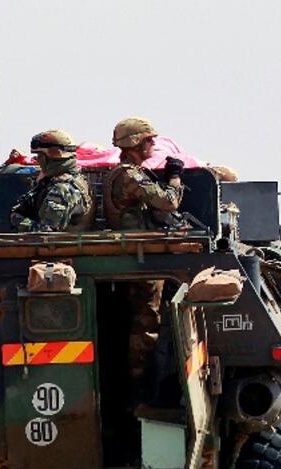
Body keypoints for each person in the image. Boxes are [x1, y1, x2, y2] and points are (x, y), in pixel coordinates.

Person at [103, 117, 185, 400]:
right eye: (149, 139)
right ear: (135, 143)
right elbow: (169, 202)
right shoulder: (129, 175)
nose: (153, 144)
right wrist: (174, 177)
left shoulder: (126, 173)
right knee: (146, 329)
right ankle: (141, 396)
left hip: (138, 258)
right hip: (141, 262)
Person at [10, 129, 93, 232]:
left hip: (59, 246)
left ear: (54, 156)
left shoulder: (63, 189)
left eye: (40, 156)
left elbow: (47, 233)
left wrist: (17, 220)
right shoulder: (58, 181)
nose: (38, 160)